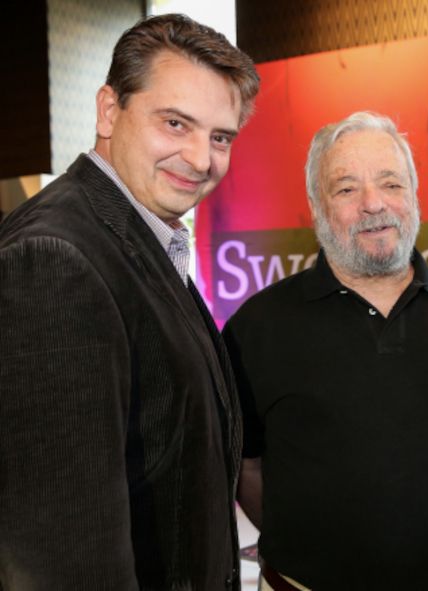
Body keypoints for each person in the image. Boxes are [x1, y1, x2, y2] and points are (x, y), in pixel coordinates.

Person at [0, 14, 259, 589]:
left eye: (220, 137)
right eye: (175, 123)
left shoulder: (144, 234)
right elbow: (61, 555)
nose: (200, 159)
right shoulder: (54, 256)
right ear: (109, 111)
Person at [222, 111, 428, 591]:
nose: (374, 204)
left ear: (414, 196)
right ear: (317, 207)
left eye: (391, 184)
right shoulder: (256, 327)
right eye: (347, 189)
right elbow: (246, 470)